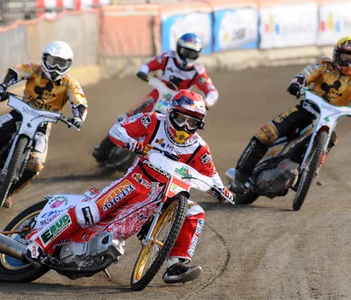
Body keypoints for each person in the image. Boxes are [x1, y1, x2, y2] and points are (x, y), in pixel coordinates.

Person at [25, 90, 233, 284]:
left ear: (199, 124)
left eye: (192, 122)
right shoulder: (152, 120)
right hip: (134, 181)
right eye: (181, 118)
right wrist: (134, 145)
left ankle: (175, 265)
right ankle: (37, 242)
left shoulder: (199, 147)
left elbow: (211, 175)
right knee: (89, 213)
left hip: (163, 196)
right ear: (171, 113)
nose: (185, 126)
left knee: (195, 212)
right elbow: (118, 130)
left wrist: (223, 191)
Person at [0, 40, 88, 208]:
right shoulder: (34, 69)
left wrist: (78, 117)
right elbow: (15, 71)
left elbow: (79, 100)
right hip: (18, 114)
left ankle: (9, 192)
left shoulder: (70, 83)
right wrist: (1, 87)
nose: (56, 68)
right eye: (52, 62)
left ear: (69, 64)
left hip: (43, 125)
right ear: (44, 59)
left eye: (61, 64)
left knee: (36, 163)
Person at [231, 36, 351, 193]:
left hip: (328, 120)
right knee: (267, 133)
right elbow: (306, 73)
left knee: (332, 138)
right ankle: (240, 176)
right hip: (306, 110)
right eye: (346, 57)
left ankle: (308, 174)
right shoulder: (324, 66)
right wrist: (297, 83)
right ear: (336, 55)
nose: (348, 63)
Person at [92, 32, 219, 165]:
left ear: (197, 54)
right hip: (158, 94)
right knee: (127, 117)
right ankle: (102, 149)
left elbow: (212, 91)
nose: (188, 57)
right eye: (186, 52)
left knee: (173, 133)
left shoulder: (198, 71)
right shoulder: (168, 57)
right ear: (179, 48)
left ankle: (157, 162)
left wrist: (206, 102)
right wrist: (143, 72)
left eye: (192, 54)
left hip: (179, 105)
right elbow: (148, 65)